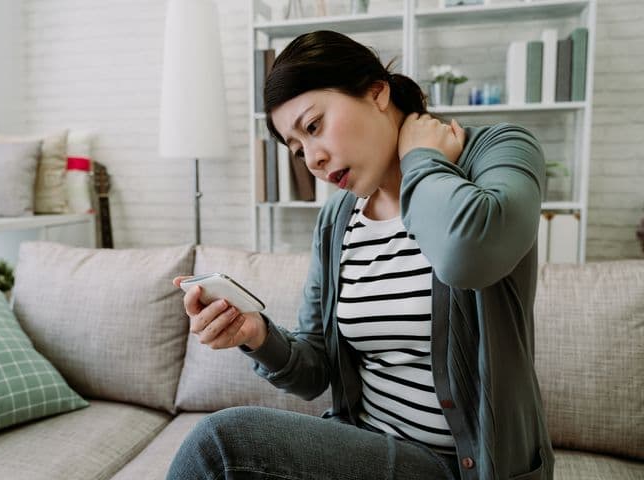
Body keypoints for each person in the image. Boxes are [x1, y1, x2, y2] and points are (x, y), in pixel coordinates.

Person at [168, 30, 553, 480]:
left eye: (313, 127)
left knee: (220, 444)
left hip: (464, 468)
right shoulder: (337, 220)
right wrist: (257, 335)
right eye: (297, 149)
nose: (311, 159)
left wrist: (421, 158)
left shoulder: (499, 150)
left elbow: (468, 254)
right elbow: (315, 373)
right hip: (366, 451)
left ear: (376, 91)